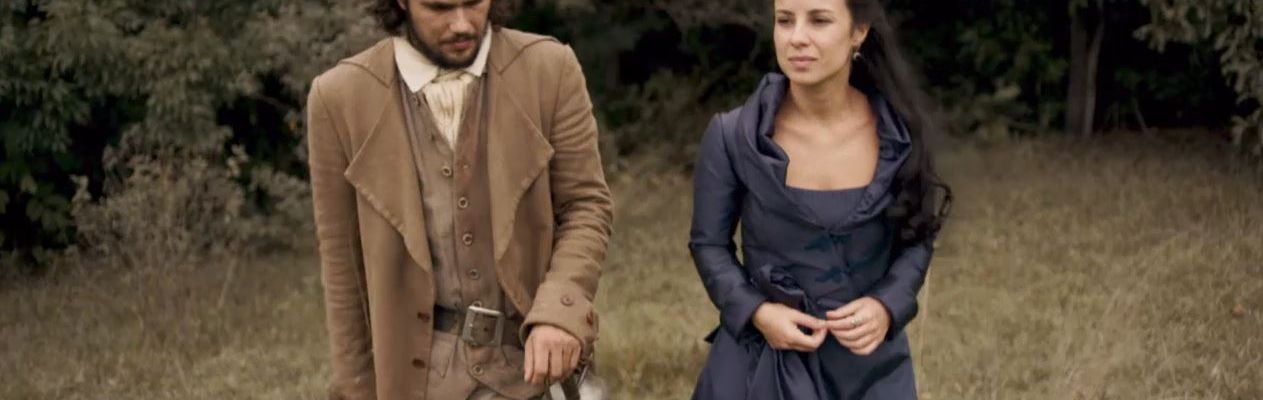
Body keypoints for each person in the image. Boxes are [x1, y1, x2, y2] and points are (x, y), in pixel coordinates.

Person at [304, 0, 613, 399]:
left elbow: (585, 205)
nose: (462, 24)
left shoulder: (549, 69)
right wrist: (356, 393)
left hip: (534, 373)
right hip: (418, 382)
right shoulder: (338, 98)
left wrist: (559, 310)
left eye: (473, 2)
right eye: (440, 7)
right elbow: (343, 270)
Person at [689, 0, 951, 398]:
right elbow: (709, 245)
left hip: (871, 370)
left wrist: (886, 306)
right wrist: (758, 312)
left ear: (858, 31)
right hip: (763, 368)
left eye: (819, 20)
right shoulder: (733, 136)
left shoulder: (899, 133)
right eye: (784, 20)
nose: (797, 38)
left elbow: (918, 237)